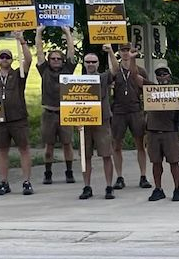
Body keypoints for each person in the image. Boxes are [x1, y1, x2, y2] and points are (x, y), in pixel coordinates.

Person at [0, 31, 33, 195]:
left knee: (24, 149)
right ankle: (4, 182)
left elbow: (29, 60)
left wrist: (22, 41)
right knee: (2, 151)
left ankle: (26, 182)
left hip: (18, 118)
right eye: (2, 57)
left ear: (12, 60)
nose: (4, 59)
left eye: (8, 57)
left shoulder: (18, 74)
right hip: (0, 120)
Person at [104, 43, 151, 191]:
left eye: (129, 51)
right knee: (117, 145)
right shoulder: (115, 70)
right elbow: (111, 75)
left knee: (140, 144)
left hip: (135, 110)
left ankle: (143, 176)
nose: (126, 53)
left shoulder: (140, 70)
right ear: (119, 52)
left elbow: (148, 90)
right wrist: (109, 51)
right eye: (123, 50)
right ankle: (119, 177)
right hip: (118, 111)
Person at [35, 25, 78, 184]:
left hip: (65, 112)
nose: (55, 60)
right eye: (52, 58)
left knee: (67, 144)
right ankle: (48, 173)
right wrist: (39, 32)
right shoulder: (44, 70)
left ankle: (69, 172)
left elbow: (71, 52)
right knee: (49, 146)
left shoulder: (68, 69)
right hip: (49, 112)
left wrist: (67, 32)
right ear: (49, 60)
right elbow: (39, 52)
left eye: (58, 58)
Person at [144, 66, 179, 202]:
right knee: (156, 163)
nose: (162, 77)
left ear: (169, 76)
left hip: (171, 131)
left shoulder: (177, 91)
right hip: (153, 131)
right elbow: (137, 78)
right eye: (159, 75)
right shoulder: (151, 90)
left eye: (165, 74)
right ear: (156, 77)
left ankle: (177, 189)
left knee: (174, 162)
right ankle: (158, 189)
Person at [77, 52, 116, 200]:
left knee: (106, 154)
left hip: (102, 121)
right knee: (85, 157)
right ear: (84, 64)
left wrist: (110, 51)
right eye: (88, 62)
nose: (91, 64)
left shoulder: (103, 78)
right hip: (84, 122)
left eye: (94, 61)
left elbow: (115, 70)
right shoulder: (77, 80)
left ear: (98, 63)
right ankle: (87, 187)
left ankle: (108, 187)